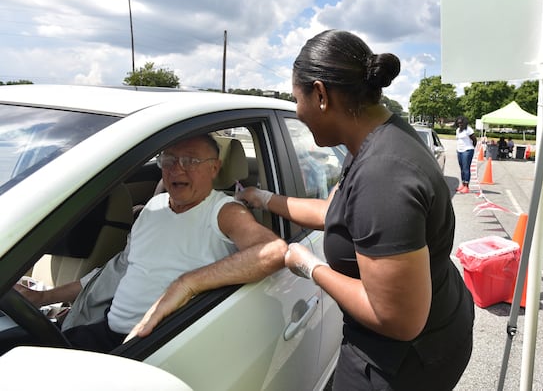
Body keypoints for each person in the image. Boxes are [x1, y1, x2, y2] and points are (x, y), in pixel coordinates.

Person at [233, 30, 474, 390]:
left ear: (320, 94)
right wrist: (266, 199)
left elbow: (397, 320)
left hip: (404, 360)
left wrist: (309, 267)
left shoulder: (383, 175)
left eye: (297, 100)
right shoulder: (378, 135)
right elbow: (336, 212)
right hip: (439, 322)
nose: (298, 113)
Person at [15, 134, 287, 352]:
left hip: (161, 343)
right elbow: (116, 271)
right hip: (109, 332)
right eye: (169, 159)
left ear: (214, 167)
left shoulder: (224, 211)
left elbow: (272, 251)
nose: (176, 168)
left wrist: (188, 283)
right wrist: (42, 298)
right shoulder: (153, 207)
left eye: (191, 160)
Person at [455, 116, 477, 193]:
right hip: (459, 150)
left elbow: (474, 139)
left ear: (464, 122)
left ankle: (466, 186)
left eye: (461, 123)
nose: (460, 124)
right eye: (458, 123)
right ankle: (463, 184)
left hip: (467, 150)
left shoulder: (468, 130)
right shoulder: (458, 130)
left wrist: (472, 147)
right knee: (462, 168)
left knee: (466, 168)